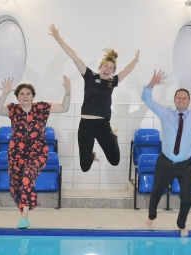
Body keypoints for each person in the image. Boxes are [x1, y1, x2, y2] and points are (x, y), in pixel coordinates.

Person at [49, 24, 139, 172]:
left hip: (103, 125)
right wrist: (59, 40)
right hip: (86, 124)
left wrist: (136, 60)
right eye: (106, 66)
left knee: (115, 161)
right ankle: (91, 155)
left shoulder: (111, 82)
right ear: (101, 66)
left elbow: (127, 70)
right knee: (84, 167)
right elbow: (75, 58)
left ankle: (113, 136)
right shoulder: (90, 77)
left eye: (111, 68)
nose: (108, 69)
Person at [142, 70, 191, 237]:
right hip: (165, 162)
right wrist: (152, 83)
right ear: (175, 100)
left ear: (189, 101)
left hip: (185, 165)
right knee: (156, 193)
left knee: (188, 199)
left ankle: (181, 222)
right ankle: (152, 215)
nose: (181, 100)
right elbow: (146, 98)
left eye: (184, 98)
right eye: (179, 98)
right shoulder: (165, 113)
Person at [0, 76, 71, 229]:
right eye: (21, 94)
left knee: (27, 177)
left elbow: (64, 107)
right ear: (17, 97)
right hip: (16, 152)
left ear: (33, 96)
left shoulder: (41, 108)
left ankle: (25, 216)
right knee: (15, 186)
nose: (25, 96)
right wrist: (4, 94)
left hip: (38, 151)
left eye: (28, 93)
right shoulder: (13, 109)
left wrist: (67, 93)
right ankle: (25, 207)